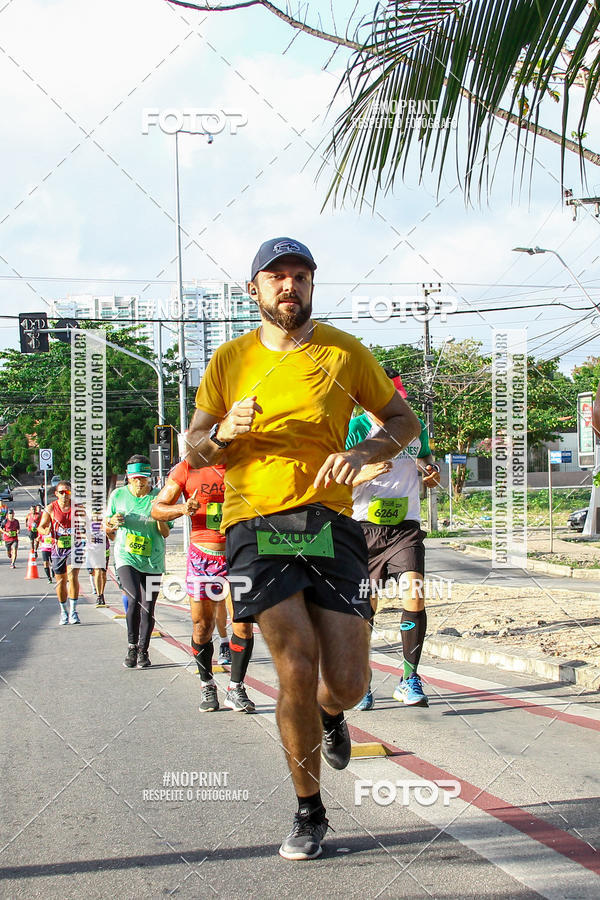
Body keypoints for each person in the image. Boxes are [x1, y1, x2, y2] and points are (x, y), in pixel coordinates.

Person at [185, 237, 420, 860]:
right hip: (253, 521)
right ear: (254, 289)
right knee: (293, 659)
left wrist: (365, 452)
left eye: (300, 276)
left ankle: (334, 714)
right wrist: (221, 433)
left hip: (329, 519)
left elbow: (404, 422)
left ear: (312, 284)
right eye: (276, 276)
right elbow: (195, 445)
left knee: (344, 681)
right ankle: (309, 810)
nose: (289, 286)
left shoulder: (343, 351)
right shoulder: (229, 359)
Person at [347, 368, 441, 710]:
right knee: (364, 607)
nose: (390, 405)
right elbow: (336, 475)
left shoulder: (413, 426)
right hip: (363, 528)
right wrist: (363, 471)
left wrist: (431, 471)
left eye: (395, 398)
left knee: (415, 592)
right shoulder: (355, 428)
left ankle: (409, 679)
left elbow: (425, 456)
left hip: (406, 525)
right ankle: (362, 681)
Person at [152, 461, 255, 713]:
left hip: (238, 554)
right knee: (203, 626)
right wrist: (183, 508)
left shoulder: (244, 459)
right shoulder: (186, 468)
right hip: (203, 557)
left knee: (243, 622)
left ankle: (236, 687)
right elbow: (157, 509)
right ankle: (207, 683)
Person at [105, 456, 171, 669]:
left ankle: (144, 650)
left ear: (149, 478)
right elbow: (108, 529)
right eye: (135, 479)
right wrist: (113, 523)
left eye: (143, 478)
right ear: (128, 477)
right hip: (126, 557)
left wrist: (159, 514)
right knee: (134, 598)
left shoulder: (158, 497)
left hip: (152, 559)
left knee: (148, 606)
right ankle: (132, 646)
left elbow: (166, 533)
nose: (140, 483)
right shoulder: (118, 495)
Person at [38, 481, 82, 624]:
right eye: (61, 492)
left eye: (67, 492)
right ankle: (64, 611)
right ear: (56, 494)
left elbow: (87, 522)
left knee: (72, 575)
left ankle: (74, 612)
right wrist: (45, 531)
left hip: (74, 547)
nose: (64, 495)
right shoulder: (50, 508)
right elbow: (40, 527)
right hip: (57, 549)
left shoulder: (77, 507)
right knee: (61, 581)